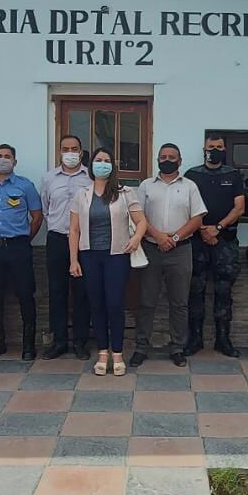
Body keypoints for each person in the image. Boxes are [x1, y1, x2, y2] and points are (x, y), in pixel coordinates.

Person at [69, 147, 147, 376]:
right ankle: (102, 352)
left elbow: (141, 221)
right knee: (96, 304)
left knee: (114, 304)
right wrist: (74, 260)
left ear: (113, 165)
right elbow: (73, 230)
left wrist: (136, 238)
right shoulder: (82, 193)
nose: (102, 164)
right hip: (89, 255)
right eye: (98, 160)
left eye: (106, 160)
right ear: (91, 164)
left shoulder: (124, 192)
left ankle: (117, 353)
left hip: (116, 256)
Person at [132, 143, 206, 368]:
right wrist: (159, 236)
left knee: (179, 303)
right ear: (157, 160)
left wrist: (173, 239)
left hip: (181, 250)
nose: (167, 160)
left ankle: (177, 348)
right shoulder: (146, 185)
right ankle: (141, 347)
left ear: (180, 161)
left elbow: (197, 219)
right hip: (151, 249)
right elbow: (138, 215)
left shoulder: (190, 186)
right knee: (146, 301)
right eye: (163, 157)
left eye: (171, 157)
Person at [0, 144, 44, 360]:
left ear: (14, 162)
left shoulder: (25, 186)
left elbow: (36, 216)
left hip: (18, 247)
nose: (3, 159)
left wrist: (24, 238)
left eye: (8, 157)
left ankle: (28, 344)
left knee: (26, 295)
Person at [184, 134, 246, 357]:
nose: (215, 150)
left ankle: (223, 339)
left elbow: (239, 208)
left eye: (219, 147)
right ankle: (195, 339)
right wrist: (203, 229)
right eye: (212, 147)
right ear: (204, 149)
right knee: (195, 291)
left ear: (224, 149)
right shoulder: (192, 175)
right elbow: (187, 206)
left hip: (225, 241)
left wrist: (217, 229)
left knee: (224, 291)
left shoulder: (233, 175)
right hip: (197, 240)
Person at [40, 134, 93, 360]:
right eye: (65, 148)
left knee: (82, 293)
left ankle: (80, 342)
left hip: (84, 241)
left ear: (81, 152)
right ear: (59, 151)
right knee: (57, 291)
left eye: (74, 148)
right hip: (57, 240)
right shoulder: (49, 178)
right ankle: (59, 341)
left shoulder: (90, 177)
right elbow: (45, 208)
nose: (70, 152)